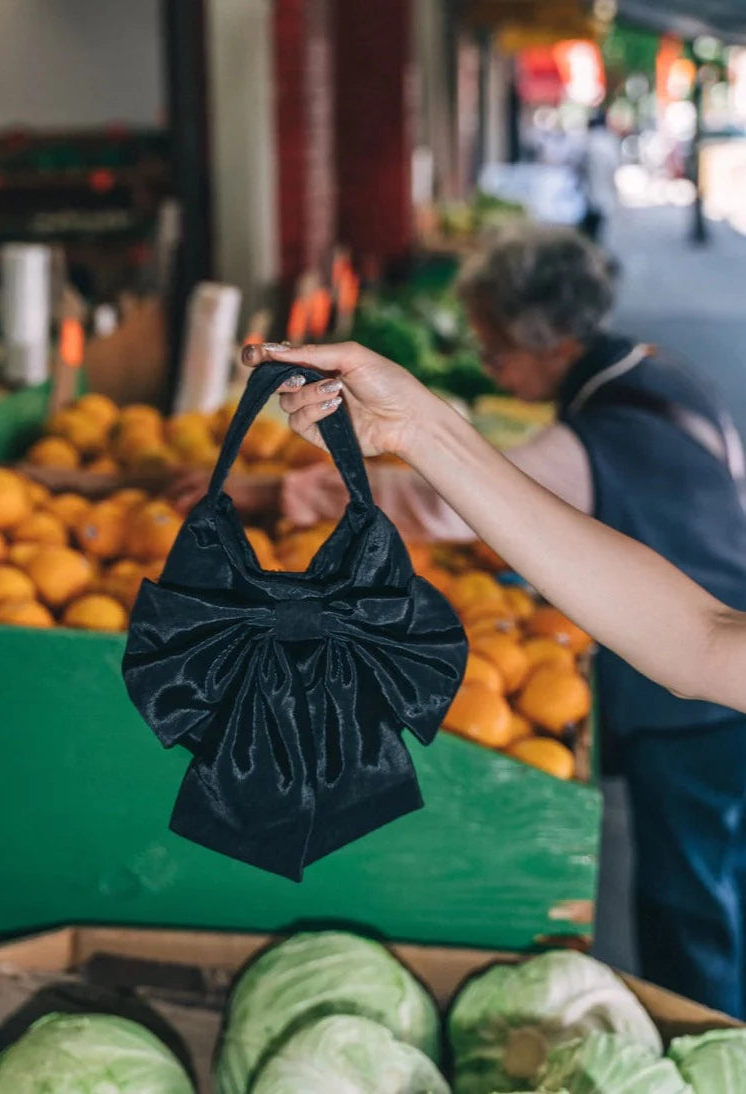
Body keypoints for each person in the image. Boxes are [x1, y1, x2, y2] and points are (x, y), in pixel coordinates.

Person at [185, 226, 746, 1016]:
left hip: (689, 725)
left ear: (544, 338)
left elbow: (452, 511)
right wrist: (417, 427)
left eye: (493, 350)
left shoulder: (602, 427)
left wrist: (302, 490)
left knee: (692, 894)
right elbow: (701, 640)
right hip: (696, 671)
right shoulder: (659, 377)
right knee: (710, 876)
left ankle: (712, 1018)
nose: (487, 367)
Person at [578, 108, 620, 244]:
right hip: (603, 196)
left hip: (588, 196)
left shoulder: (586, 143)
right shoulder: (609, 142)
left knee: (590, 236)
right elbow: (614, 171)